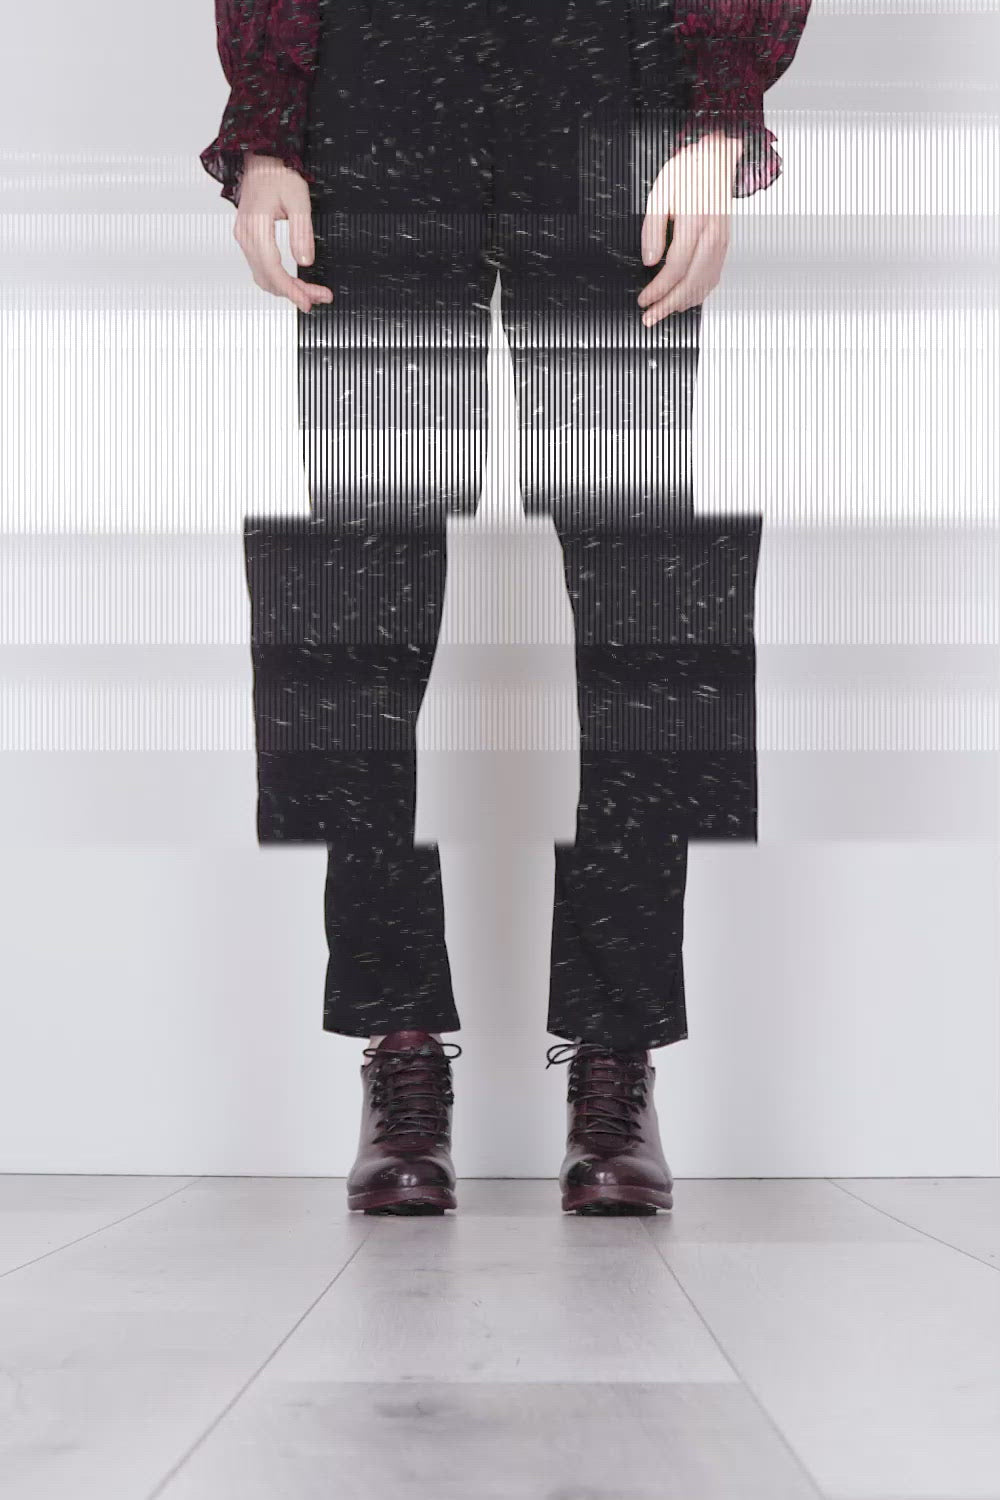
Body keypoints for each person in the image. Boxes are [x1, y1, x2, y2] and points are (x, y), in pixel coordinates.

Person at [201, 0, 812, 1216]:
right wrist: (269, 126)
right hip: (379, 70)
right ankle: (397, 1042)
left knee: (644, 587)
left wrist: (716, 117)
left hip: (611, 61)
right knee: (355, 587)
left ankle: (617, 1054)